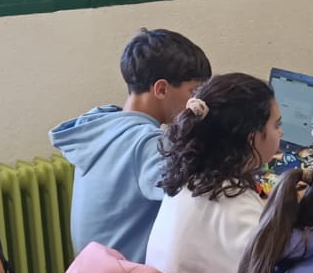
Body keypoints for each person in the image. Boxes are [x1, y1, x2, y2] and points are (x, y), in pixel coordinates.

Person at [145, 73, 284, 273]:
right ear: (252, 138)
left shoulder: (187, 184)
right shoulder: (236, 210)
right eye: (276, 125)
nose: (281, 133)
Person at [52, 28, 212, 260]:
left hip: (94, 272)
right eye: (193, 92)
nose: (198, 101)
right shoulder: (145, 144)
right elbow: (200, 198)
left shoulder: (103, 127)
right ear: (161, 89)